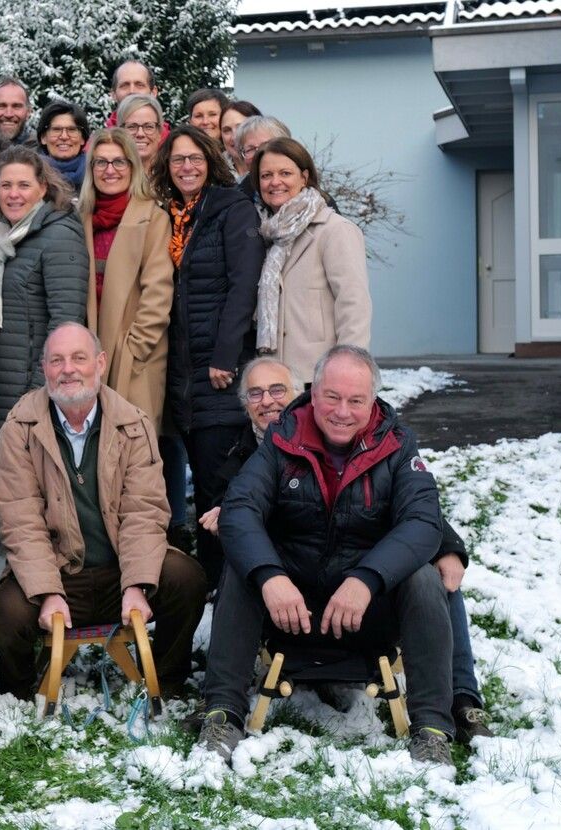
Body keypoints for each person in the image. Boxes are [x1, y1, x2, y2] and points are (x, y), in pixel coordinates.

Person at [200, 356, 494, 746]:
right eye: (332, 397)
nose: (342, 411)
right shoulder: (280, 439)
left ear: (373, 400)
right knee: (243, 567)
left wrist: (367, 579)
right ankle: (222, 713)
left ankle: (433, 726)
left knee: (425, 576)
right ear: (313, 395)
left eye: (355, 401)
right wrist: (270, 577)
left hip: (369, 610)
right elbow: (238, 509)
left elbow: (424, 520)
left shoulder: (398, 444)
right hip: (292, 611)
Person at [0, 323, 208, 699]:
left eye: (78, 358)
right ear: (45, 369)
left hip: (121, 571)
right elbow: (19, 518)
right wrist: (47, 591)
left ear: (100, 363)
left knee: (186, 579)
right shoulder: (20, 428)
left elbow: (144, 510)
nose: (68, 369)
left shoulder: (132, 424)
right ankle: (18, 692)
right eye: (57, 360)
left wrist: (137, 583)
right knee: (4, 615)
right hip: (59, 573)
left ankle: (167, 683)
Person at [151, 124, 263, 585]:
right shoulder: (177, 215)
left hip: (218, 372)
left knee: (222, 489)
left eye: (195, 158)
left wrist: (225, 355)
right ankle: (220, 591)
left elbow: (243, 286)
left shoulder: (230, 210)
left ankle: (230, 589)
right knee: (206, 484)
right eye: (178, 159)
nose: (187, 167)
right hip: (187, 374)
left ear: (211, 162)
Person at [0, 145, 89, 442]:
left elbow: (66, 322)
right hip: (0, 388)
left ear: (43, 188)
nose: (13, 194)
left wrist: (40, 389)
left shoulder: (59, 235)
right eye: (6, 185)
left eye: (23, 185)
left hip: (33, 393)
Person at [252, 137, 371, 386]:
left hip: (319, 375)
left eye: (285, 173)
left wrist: (347, 370)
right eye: (266, 175)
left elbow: (353, 305)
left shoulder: (335, 230)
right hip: (276, 378)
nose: (275, 182)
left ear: (304, 177)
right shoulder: (266, 233)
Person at [79, 128, 173, 430]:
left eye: (119, 162)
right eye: (101, 162)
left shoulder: (152, 216)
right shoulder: (79, 217)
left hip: (132, 354)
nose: (110, 171)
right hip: (86, 352)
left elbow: (158, 290)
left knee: (134, 446)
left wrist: (135, 347)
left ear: (132, 167)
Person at [233, 115, 291, 202]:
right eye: (250, 149)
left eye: (265, 145)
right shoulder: (234, 199)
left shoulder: (310, 201)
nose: (258, 154)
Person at [36, 100, 90, 192]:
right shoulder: (30, 174)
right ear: (43, 138)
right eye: (56, 129)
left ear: (83, 139)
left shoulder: (97, 173)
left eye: (72, 129)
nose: (64, 136)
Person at [116, 94, 166, 173]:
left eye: (149, 127)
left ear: (159, 133)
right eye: (131, 127)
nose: (140, 134)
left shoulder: (173, 179)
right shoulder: (109, 177)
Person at [0, 77, 37, 147]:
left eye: (16, 106)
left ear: (28, 112)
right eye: (2, 106)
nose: (9, 114)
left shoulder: (44, 151)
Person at [219, 100, 261, 177]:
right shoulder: (214, 171)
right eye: (227, 130)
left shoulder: (277, 165)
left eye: (241, 128)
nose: (234, 137)